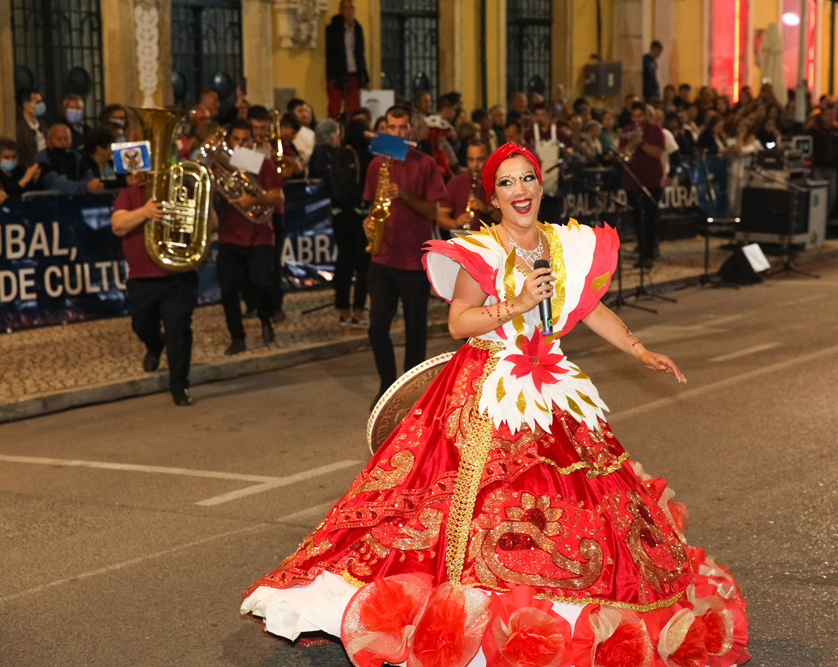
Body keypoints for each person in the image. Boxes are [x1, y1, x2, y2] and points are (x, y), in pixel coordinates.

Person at [240, 143, 750, 667]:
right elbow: (460, 322)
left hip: (549, 382)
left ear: (541, 185)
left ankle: (563, 609)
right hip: (488, 385)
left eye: (526, 178)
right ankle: (477, 612)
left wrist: (640, 350)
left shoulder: (561, 244)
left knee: (575, 497)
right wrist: (518, 304)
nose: (520, 191)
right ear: (493, 197)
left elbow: (590, 306)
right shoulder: (481, 252)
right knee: (471, 501)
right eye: (506, 183)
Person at [361, 105, 446, 404]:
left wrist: (405, 196)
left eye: (402, 127)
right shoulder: (376, 165)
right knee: (377, 327)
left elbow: (432, 211)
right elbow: (373, 207)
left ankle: (411, 394)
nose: (397, 132)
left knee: (415, 329)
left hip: (414, 259)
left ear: (410, 129)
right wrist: (368, 222)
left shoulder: (425, 163)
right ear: (384, 129)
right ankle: (387, 385)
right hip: (382, 258)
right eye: (391, 127)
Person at [111, 172, 206, 406]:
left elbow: (208, 220)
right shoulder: (128, 194)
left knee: (178, 330)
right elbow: (118, 226)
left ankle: (179, 386)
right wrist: (145, 212)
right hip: (142, 279)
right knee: (141, 324)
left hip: (179, 276)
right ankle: (155, 345)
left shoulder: (182, 191)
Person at [215, 120, 285, 355]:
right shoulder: (220, 166)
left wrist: (253, 201)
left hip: (260, 235)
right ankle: (237, 336)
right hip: (228, 236)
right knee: (227, 290)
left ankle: (265, 318)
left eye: (246, 140)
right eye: (237, 140)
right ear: (229, 141)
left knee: (262, 284)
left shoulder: (262, 164)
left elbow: (278, 197)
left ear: (253, 143)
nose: (241, 145)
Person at [327, 117, 372, 326]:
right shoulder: (364, 154)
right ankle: (358, 311)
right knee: (362, 265)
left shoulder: (337, 153)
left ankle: (342, 309)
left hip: (338, 215)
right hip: (357, 214)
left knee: (343, 262)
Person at [622, 102, 665, 267]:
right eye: (634, 116)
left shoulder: (655, 131)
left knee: (650, 219)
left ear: (647, 115)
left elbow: (657, 153)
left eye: (640, 115)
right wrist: (630, 143)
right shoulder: (627, 131)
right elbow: (622, 154)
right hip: (632, 182)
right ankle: (642, 252)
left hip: (651, 183)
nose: (637, 119)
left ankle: (649, 255)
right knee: (637, 219)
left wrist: (641, 143)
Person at [437, 139, 496, 233]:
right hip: (463, 240)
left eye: (480, 159)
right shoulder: (455, 183)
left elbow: (508, 218)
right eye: (471, 160)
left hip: (491, 241)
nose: (475, 165)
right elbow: (441, 216)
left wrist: (487, 210)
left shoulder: (497, 183)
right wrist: (455, 223)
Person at [325, 0, 368, 120]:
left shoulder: (357, 28)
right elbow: (331, 52)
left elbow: (360, 53)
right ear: (341, 11)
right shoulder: (333, 28)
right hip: (337, 73)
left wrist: (365, 77)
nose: (349, 12)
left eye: (352, 8)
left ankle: (352, 132)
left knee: (354, 109)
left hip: (353, 72)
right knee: (334, 108)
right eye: (346, 8)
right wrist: (331, 75)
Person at [35, 124, 105, 196]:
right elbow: (55, 184)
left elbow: (88, 176)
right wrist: (85, 186)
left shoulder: (75, 156)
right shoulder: (42, 157)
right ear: (48, 142)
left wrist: (95, 184)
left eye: (66, 139)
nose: (63, 143)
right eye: (59, 139)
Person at [15, 88, 48, 167]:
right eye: (37, 102)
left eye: (41, 101)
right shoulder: (19, 127)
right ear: (26, 104)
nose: (41, 104)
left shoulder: (43, 124)